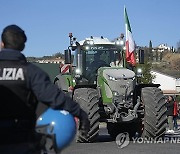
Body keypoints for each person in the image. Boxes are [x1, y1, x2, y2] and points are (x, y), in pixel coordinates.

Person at [0, 25, 90, 153]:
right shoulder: (31, 73)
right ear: (23, 46)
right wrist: (80, 113)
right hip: (21, 141)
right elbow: (54, 97)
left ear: (2, 44)